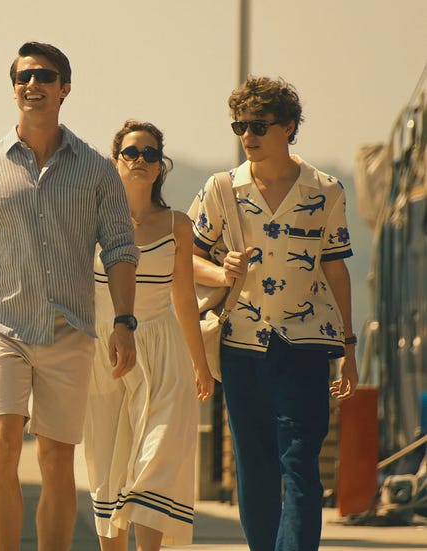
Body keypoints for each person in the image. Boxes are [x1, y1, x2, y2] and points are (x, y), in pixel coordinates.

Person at [0, 41, 140, 551]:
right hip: (2, 329)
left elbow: (121, 248)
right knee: (1, 444)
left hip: (69, 328)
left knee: (55, 457)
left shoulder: (98, 169)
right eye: (23, 76)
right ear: (14, 88)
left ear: (65, 88)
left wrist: (125, 321)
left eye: (45, 76)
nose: (33, 84)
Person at [189, 76, 358, 551]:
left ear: (288, 127)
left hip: (306, 347)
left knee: (301, 465)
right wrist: (222, 271)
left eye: (258, 125)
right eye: (240, 125)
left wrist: (349, 348)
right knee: (256, 469)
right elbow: (189, 257)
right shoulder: (221, 189)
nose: (248, 135)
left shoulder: (325, 190)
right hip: (242, 348)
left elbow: (336, 270)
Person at [84, 120, 214, 551]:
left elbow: (183, 298)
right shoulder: (90, 221)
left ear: (161, 167)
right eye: (132, 152)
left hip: (163, 352)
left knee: (154, 461)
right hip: (104, 351)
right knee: (108, 464)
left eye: (151, 154)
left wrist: (200, 364)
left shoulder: (178, 224)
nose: (141, 160)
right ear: (114, 160)